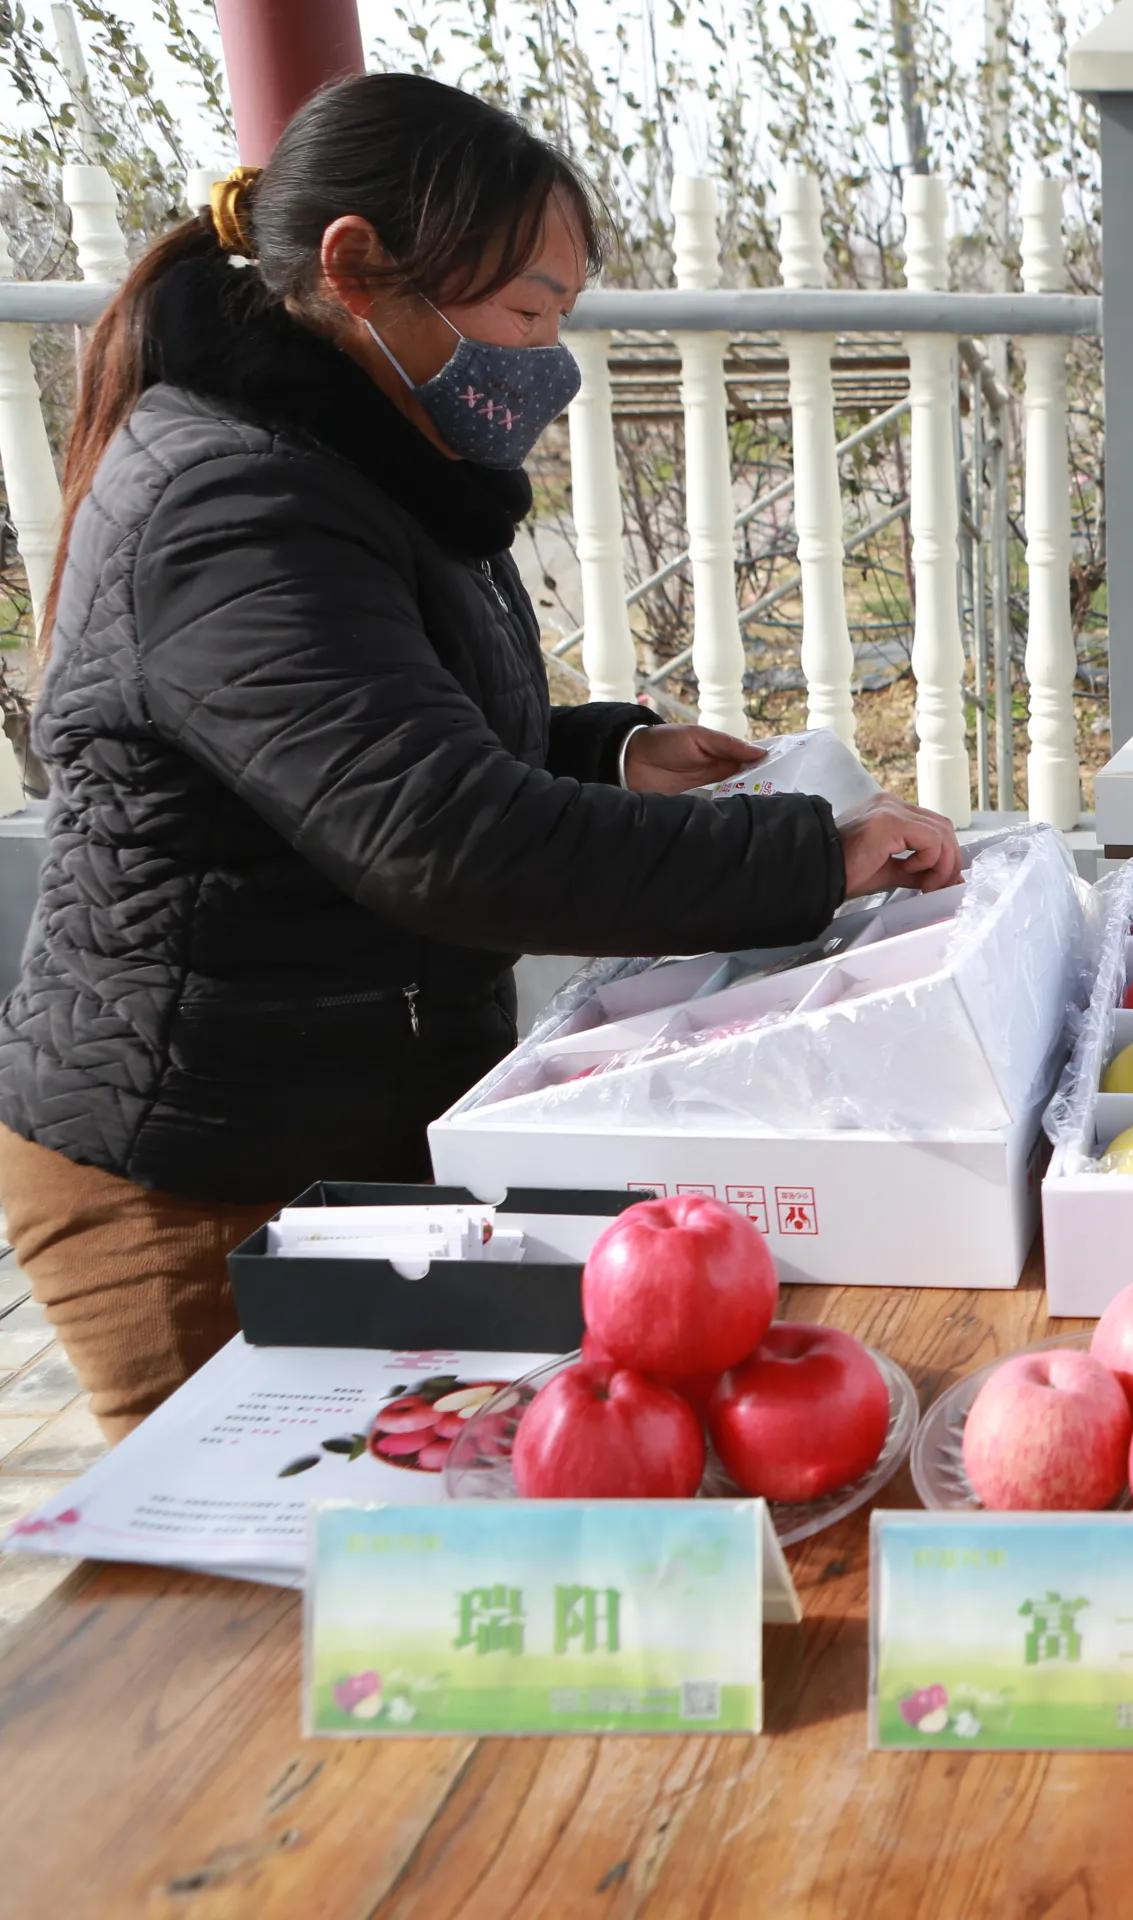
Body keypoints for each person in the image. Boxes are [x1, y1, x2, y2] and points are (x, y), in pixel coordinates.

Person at [0, 74, 964, 1436]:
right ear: (354, 273)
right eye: (523, 312)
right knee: (259, 1602)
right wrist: (810, 850)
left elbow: (395, 740)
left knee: (393, 1523)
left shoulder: (365, 463)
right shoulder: (234, 501)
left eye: (560, 315)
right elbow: (440, 832)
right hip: (195, 1168)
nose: (546, 356)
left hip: (342, 1112)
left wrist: (612, 755)